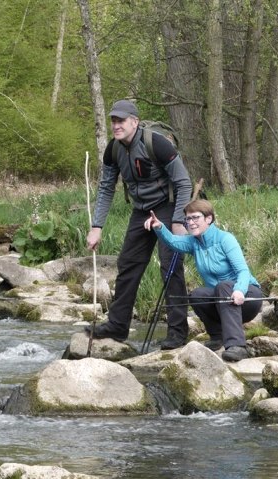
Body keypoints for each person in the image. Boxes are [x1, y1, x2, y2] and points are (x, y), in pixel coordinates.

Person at [85, 99, 192, 349]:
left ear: (134, 121)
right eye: (113, 120)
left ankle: (177, 333)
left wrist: (178, 222)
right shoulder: (113, 149)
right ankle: (117, 326)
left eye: (121, 120)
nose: (116, 125)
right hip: (140, 211)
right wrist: (97, 226)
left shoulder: (158, 144)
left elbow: (184, 182)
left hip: (166, 208)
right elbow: (105, 188)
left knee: (170, 267)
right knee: (127, 265)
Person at [144, 198, 263, 362]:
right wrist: (159, 227)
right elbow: (173, 241)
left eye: (195, 218)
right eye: (188, 218)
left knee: (224, 286)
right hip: (221, 300)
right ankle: (217, 336)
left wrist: (239, 290)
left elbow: (243, 271)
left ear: (209, 219)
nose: (191, 222)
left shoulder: (225, 239)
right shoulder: (194, 243)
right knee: (197, 294)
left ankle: (237, 346)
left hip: (247, 297)